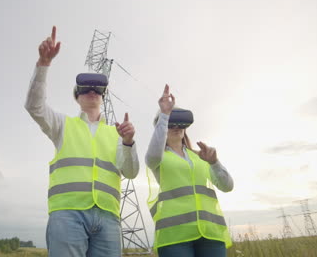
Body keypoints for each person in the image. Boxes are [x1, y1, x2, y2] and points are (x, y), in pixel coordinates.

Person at [25, 26, 140, 257]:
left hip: (108, 216)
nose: (92, 91)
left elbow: (130, 172)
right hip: (68, 213)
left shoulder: (117, 133)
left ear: (103, 96)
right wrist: (43, 65)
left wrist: (128, 143)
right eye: (85, 88)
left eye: (97, 88)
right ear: (77, 97)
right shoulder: (62, 125)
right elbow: (34, 107)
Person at [145, 84, 234, 257]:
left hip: (210, 231)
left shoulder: (200, 157)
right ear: (161, 128)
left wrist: (215, 163)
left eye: (180, 122)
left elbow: (227, 186)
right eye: (171, 123)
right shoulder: (158, 157)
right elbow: (152, 154)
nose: (176, 126)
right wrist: (164, 115)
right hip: (174, 234)